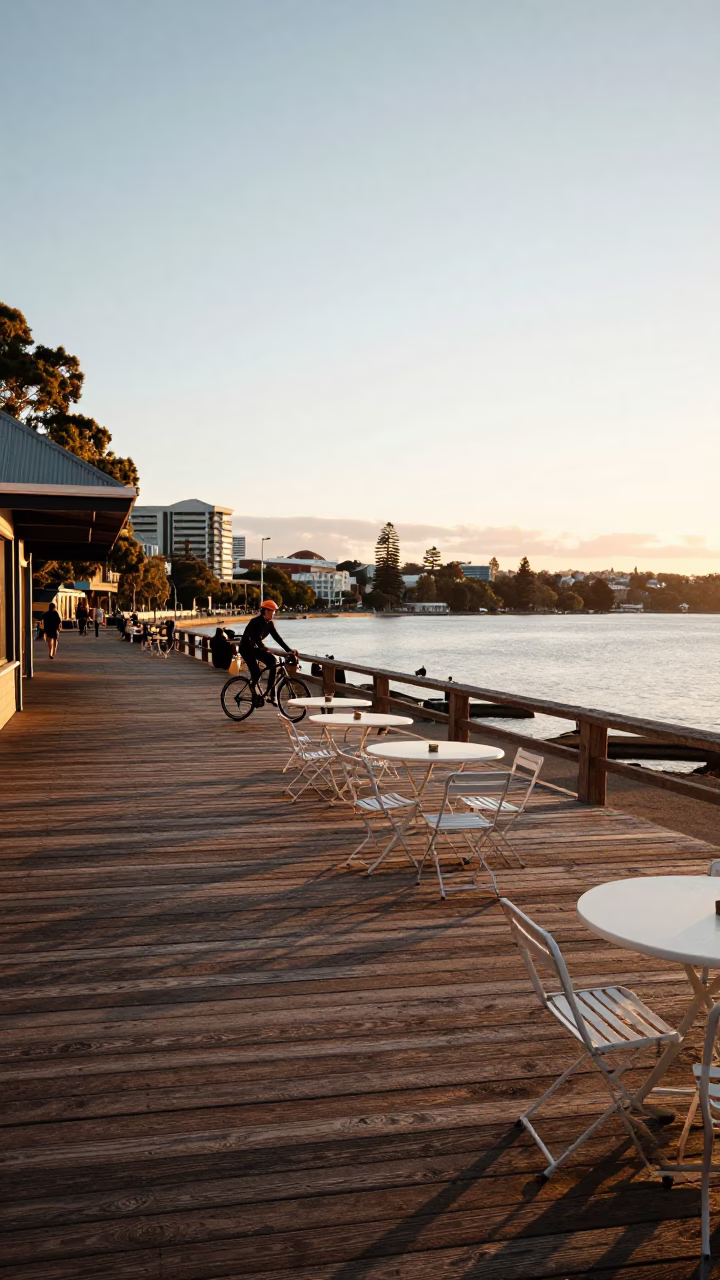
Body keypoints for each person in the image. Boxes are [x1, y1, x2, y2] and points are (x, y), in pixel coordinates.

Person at [239, 600, 298, 704]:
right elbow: (256, 637)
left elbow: (277, 638)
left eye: (275, 612)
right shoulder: (256, 621)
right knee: (256, 673)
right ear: (266, 611)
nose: (274, 614)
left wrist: (289, 650)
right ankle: (253, 691)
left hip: (255, 648)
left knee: (272, 662)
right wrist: (264, 647)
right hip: (246, 649)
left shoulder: (269, 624)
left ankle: (272, 694)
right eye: (273, 611)